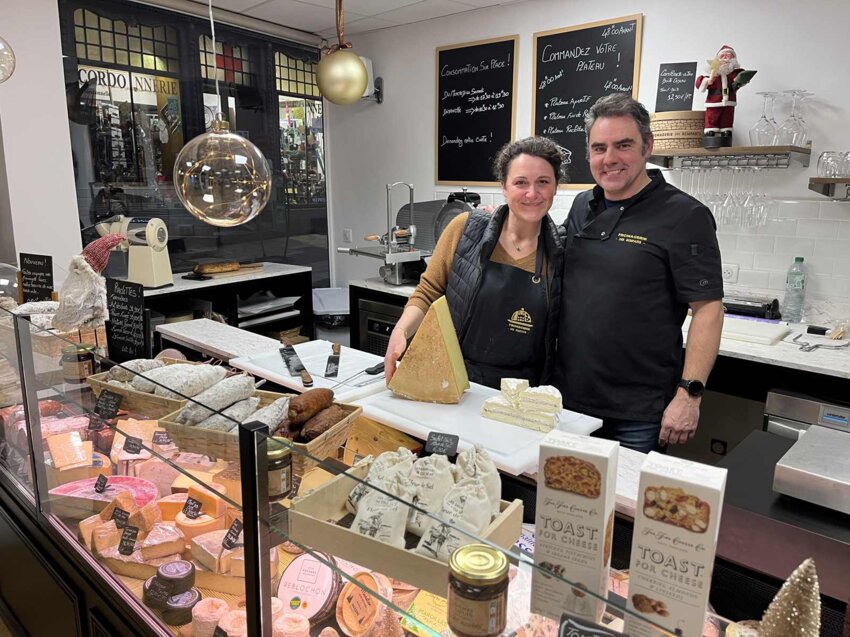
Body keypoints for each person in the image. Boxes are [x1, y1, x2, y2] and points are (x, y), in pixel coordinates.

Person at [554, 94, 724, 453]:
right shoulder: (583, 205)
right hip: (568, 402)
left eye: (623, 145)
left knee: (622, 507)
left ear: (647, 146)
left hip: (637, 414)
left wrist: (689, 395)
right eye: (598, 148)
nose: (609, 158)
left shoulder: (685, 215)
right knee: (567, 505)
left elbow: (708, 309)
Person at [384, 136, 564, 389]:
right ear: (504, 186)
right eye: (520, 182)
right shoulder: (465, 229)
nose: (532, 193)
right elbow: (428, 292)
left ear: (556, 187)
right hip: (455, 380)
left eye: (543, 182)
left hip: (522, 395)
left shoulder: (561, 252)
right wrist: (401, 331)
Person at [695, 45, 755, 146]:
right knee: (712, 116)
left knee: (727, 117)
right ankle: (710, 130)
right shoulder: (713, 75)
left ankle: (726, 131)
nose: (726, 59)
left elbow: (741, 78)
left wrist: (739, 80)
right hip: (714, 101)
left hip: (729, 100)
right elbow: (699, 83)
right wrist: (708, 81)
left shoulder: (734, 73)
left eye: (729, 56)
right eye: (723, 56)